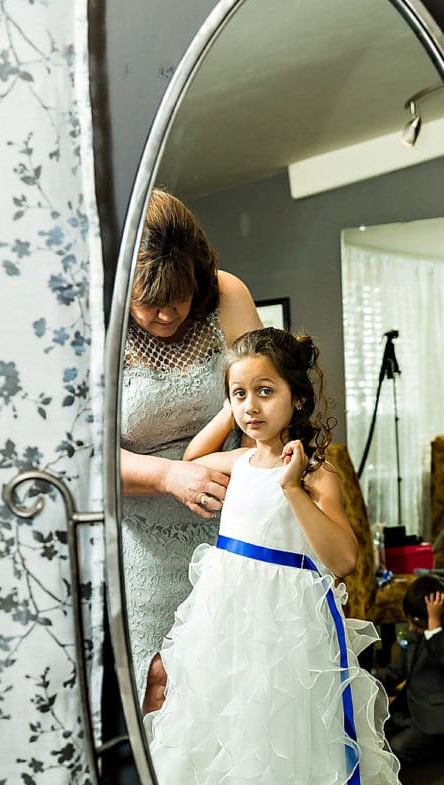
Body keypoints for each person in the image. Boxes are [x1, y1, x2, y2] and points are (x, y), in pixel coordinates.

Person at [146, 327, 408, 785]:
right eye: (240, 394)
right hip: (223, 625)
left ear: (297, 395)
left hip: (286, 630)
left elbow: (343, 559)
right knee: (229, 760)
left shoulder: (313, 472)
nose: (251, 406)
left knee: (290, 765)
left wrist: (292, 486)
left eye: (266, 391)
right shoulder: (239, 459)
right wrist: (231, 404)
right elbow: (196, 458)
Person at [120, 188, 263, 710]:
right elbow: (83, 455)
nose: (166, 314)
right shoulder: (97, 324)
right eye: (149, 303)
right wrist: (167, 476)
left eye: (178, 298)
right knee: (164, 684)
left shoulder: (228, 296)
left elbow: (267, 410)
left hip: (232, 521)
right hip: (143, 540)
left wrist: (238, 463)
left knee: (237, 682)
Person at [375, 575, 444, 767]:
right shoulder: (417, 632)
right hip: (412, 709)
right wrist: (367, 678)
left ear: (438, 617)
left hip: (436, 718)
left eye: (416, 622)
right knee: (376, 737)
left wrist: (433, 627)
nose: (411, 627)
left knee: (396, 749)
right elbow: (397, 670)